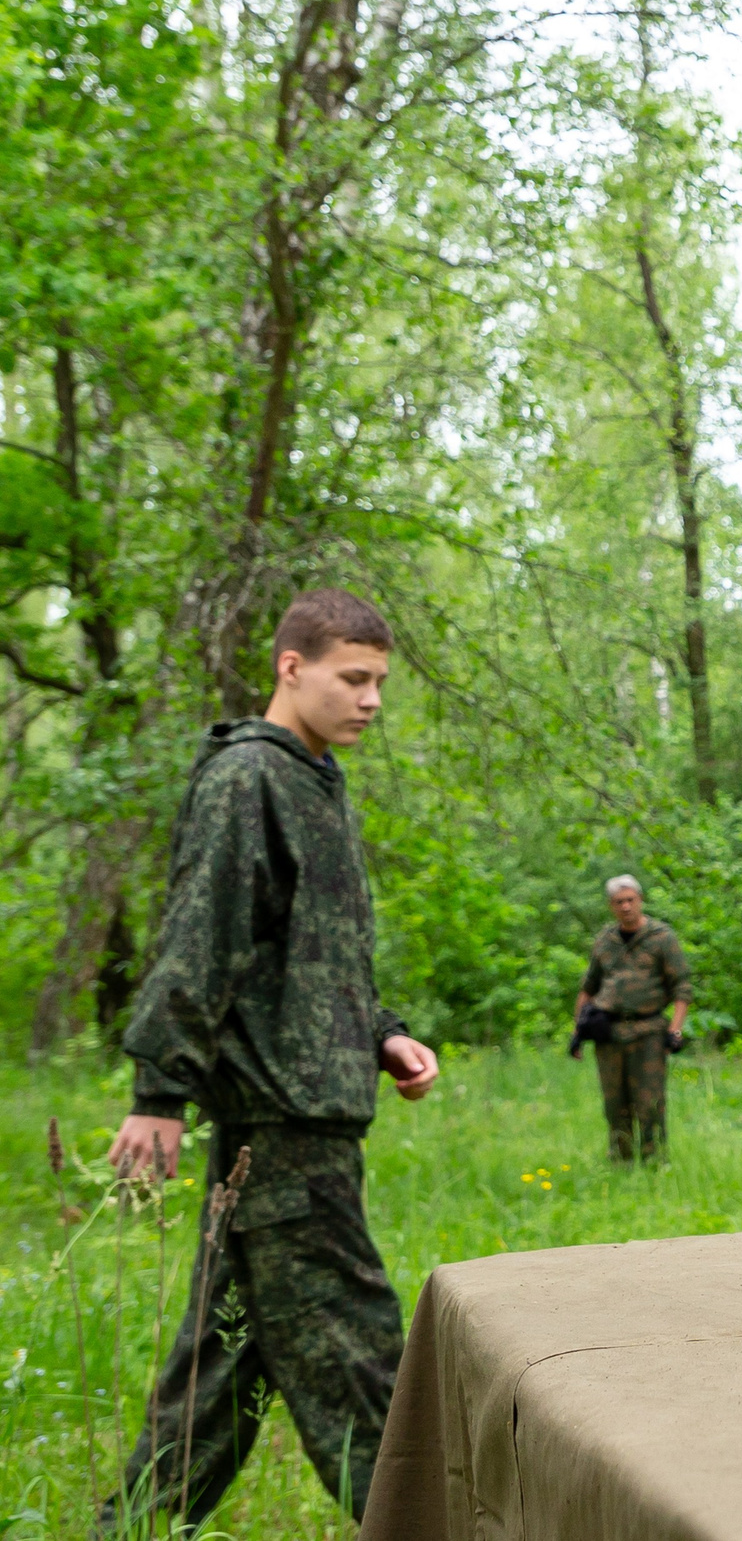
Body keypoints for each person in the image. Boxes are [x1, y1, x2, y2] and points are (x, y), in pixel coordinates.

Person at [101, 589, 438, 1530]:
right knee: (369, 1368)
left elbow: (312, 951)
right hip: (280, 1123)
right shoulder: (248, 776)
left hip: (312, 1108)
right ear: (292, 667)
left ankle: (131, 1529)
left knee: (218, 1376)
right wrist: (159, 1087)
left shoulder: (317, 779)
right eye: (352, 678)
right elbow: (202, 938)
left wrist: (381, 1032)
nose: (371, 699)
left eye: (380, 682)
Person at [577, 875, 693, 1163]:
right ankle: (621, 1158)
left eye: (630, 900)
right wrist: (577, 1033)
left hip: (648, 1031)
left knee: (649, 1101)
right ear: (611, 906)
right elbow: (588, 988)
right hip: (609, 1032)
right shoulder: (605, 941)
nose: (626, 907)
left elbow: (682, 987)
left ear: (640, 900)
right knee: (615, 1102)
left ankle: (655, 1159)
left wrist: (675, 1030)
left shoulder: (661, 938)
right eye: (619, 902)